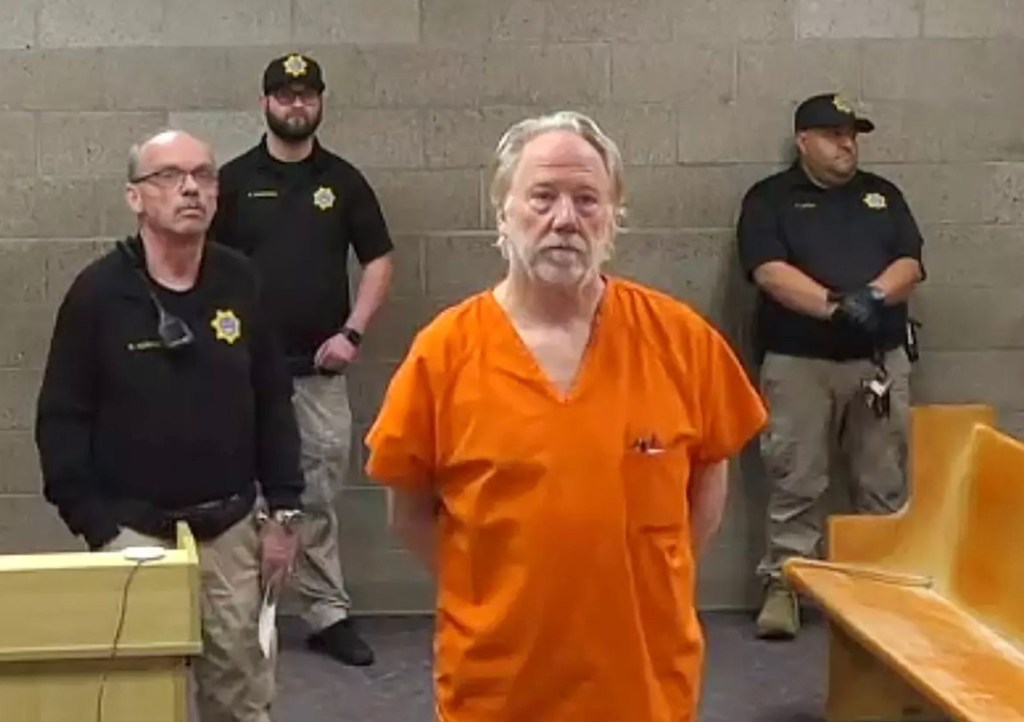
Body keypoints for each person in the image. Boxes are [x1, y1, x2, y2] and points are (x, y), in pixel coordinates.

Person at [364, 110, 768, 722]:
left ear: (613, 216)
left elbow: (708, 479)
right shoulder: (444, 352)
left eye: (586, 199)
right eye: (542, 197)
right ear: (502, 214)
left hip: (643, 686)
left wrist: (649, 576)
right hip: (497, 689)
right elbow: (409, 512)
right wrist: (493, 588)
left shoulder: (680, 340)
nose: (564, 219)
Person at [35, 129, 304, 722]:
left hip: (231, 532)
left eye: (204, 175)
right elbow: (60, 420)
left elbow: (273, 401)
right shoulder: (97, 295)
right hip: (132, 536)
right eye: (170, 176)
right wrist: (98, 526)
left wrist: (284, 513)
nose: (191, 188)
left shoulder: (242, 282)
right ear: (135, 197)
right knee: (136, 698)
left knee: (241, 696)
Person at [212, 52, 394, 667]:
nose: (297, 105)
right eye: (286, 95)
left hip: (319, 374)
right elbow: (202, 268)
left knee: (315, 496)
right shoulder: (234, 181)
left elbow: (379, 260)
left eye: (307, 95)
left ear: (319, 102)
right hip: (245, 377)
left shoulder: (341, 181)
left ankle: (326, 614)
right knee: (239, 496)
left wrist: (352, 333)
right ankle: (239, 615)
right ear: (265, 102)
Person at [736, 93, 926, 640]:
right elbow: (769, 272)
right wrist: (834, 306)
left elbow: (911, 262)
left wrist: (873, 295)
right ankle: (786, 584)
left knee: (882, 479)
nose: (847, 144)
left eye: (852, 135)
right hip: (800, 363)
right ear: (804, 141)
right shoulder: (771, 199)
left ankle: (880, 588)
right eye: (833, 135)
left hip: (877, 362)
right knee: (796, 478)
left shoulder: (882, 195)